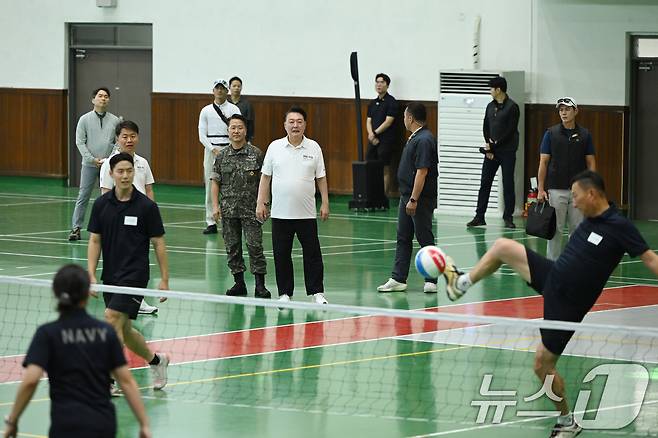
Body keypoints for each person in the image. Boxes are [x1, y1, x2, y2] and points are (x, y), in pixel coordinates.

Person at [442, 170, 658, 437]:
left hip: (568, 305)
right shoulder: (590, 218)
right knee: (501, 246)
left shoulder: (620, 226)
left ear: (592, 194)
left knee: (542, 365)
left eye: (577, 196)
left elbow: (650, 259)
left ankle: (567, 422)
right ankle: (460, 285)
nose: (574, 203)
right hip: (553, 276)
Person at [3, 264, 151, 438]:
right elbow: (126, 381)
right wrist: (144, 424)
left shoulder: (48, 333)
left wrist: (13, 420)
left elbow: (30, 381)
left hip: (66, 425)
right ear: (87, 293)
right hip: (103, 424)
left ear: (56, 293)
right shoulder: (106, 332)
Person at [87, 153, 170, 392]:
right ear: (111, 174)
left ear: (134, 172)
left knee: (111, 319)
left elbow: (159, 243)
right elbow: (94, 241)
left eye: (129, 171)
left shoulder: (146, 207)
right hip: (110, 277)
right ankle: (157, 361)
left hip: (135, 276)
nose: (125, 176)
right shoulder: (102, 205)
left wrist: (164, 279)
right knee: (123, 329)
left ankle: (108, 379)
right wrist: (91, 274)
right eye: (120, 172)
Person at [256, 106, 329, 305]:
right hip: (280, 213)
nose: (295, 125)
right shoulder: (274, 147)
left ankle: (317, 292)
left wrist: (325, 202)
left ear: (305, 124)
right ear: (285, 125)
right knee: (281, 255)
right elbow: (265, 177)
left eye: (299, 122)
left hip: (306, 214)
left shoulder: (314, 147)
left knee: (313, 254)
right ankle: (285, 294)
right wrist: (261, 203)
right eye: (291, 121)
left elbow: (321, 177)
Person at [377, 102, 439, 293]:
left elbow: (422, 171)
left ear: (410, 118)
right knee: (403, 237)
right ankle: (398, 278)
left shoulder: (424, 139)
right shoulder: (415, 138)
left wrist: (414, 199)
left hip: (418, 198)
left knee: (424, 236)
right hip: (407, 196)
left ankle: (432, 279)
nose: (404, 119)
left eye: (405, 116)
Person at [99, 120, 159, 315]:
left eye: (132, 136)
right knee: (119, 261)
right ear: (117, 139)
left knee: (140, 261)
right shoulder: (110, 164)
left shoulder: (142, 163)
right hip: (118, 222)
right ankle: (121, 300)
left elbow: (149, 190)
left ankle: (137, 300)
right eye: (124, 136)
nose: (129, 140)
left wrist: (152, 217)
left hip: (140, 221)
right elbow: (105, 193)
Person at [211, 114, 271, 299]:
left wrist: (265, 203)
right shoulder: (221, 156)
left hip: (252, 210)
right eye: (232, 128)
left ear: (245, 130)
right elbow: (215, 182)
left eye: (240, 127)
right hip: (229, 210)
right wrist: (215, 206)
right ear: (228, 131)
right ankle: (239, 283)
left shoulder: (256, 154)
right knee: (232, 247)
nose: (236, 131)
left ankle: (260, 285)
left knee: (255, 246)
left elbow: (266, 181)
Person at [537, 97, 596, 260]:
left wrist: (592, 187)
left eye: (567, 109)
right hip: (556, 188)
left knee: (577, 230)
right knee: (555, 229)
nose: (563, 112)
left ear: (575, 111)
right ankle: (552, 266)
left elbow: (591, 162)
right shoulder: (551, 133)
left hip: (579, 190)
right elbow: (543, 161)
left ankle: (574, 265)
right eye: (561, 109)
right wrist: (541, 189)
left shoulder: (585, 134)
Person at [467, 76, 520, 229]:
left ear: (498, 90)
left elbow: (510, 131)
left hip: (507, 151)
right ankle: (479, 216)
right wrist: (489, 147)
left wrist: (494, 146)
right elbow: (486, 127)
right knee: (485, 183)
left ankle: (508, 217)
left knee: (508, 184)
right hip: (492, 151)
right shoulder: (490, 106)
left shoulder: (512, 107)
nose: (490, 91)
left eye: (491, 88)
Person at [69, 87, 120, 241]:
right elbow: (80, 142)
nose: (103, 98)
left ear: (109, 100)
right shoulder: (84, 119)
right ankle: (76, 228)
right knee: (83, 196)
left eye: (106, 96)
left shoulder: (115, 120)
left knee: (111, 196)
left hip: (108, 166)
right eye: (100, 96)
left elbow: (118, 142)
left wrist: (109, 160)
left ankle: (112, 227)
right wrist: (92, 159)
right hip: (89, 164)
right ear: (93, 99)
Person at [198, 79, 241, 234]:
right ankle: (211, 221)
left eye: (223, 88)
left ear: (227, 90)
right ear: (213, 91)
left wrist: (232, 148)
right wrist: (212, 149)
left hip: (230, 150)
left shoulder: (234, 109)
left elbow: (239, 130)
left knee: (232, 185)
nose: (220, 91)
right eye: (217, 88)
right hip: (211, 151)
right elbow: (201, 134)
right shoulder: (206, 111)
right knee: (210, 185)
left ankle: (231, 219)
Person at [366, 73, 398, 195]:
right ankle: (372, 195)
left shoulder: (391, 102)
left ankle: (383, 197)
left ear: (387, 85)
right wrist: (371, 135)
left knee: (384, 168)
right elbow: (368, 121)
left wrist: (375, 133)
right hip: (372, 140)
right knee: (370, 167)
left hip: (385, 141)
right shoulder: (372, 103)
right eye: (377, 82)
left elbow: (388, 122)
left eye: (382, 82)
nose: (379, 84)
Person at [228, 76, 255, 142]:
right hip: (226, 139)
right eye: (234, 86)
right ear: (229, 87)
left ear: (241, 88)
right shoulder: (226, 103)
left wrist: (249, 140)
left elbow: (250, 123)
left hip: (242, 139)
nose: (236, 88)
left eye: (238, 86)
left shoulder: (247, 104)